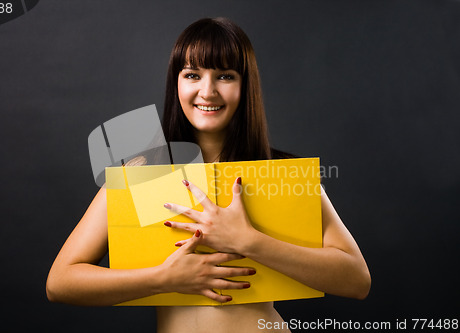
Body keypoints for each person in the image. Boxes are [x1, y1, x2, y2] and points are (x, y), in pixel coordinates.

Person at [46, 17, 371, 332]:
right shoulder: (145, 173)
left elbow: (357, 280)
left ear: (245, 85)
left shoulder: (279, 174)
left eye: (225, 76)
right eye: (192, 75)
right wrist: (163, 278)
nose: (208, 91)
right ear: (176, 83)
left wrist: (249, 241)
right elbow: (60, 283)